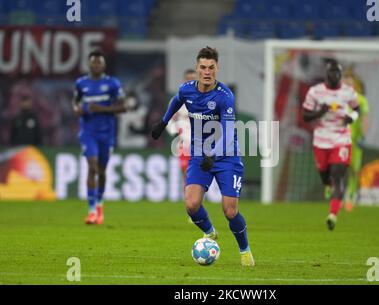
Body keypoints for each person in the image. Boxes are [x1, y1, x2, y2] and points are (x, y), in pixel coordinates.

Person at [151, 47, 255, 266]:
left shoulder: (224, 96)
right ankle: (210, 233)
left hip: (226, 155)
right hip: (200, 153)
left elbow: (227, 130)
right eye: (203, 67)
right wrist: (163, 122)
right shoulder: (187, 89)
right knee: (191, 204)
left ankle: (244, 250)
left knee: (229, 210)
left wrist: (214, 154)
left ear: (217, 68)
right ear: (197, 68)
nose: (207, 72)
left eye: (211, 67)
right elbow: (177, 100)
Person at [72, 50, 130, 225]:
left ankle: (99, 206)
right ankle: (91, 212)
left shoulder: (112, 83)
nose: (96, 65)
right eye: (94, 62)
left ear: (103, 65)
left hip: (106, 133)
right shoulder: (81, 83)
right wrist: (77, 109)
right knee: (92, 168)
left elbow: (123, 107)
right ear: (89, 64)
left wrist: (102, 109)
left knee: (102, 172)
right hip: (88, 132)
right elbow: (75, 102)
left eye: (99, 62)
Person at [302, 59, 359, 231]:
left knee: (337, 176)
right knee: (325, 177)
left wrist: (352, 118)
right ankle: (328, 185)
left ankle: (333, 214)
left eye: (337, 72)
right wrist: (321, 111)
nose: (335, 75)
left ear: (340, 74)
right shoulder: (315, 92)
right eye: (331, 72)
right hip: (321, 140)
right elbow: (305, 115)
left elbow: (356, 109)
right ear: (326, 74)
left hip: (341, 139)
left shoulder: (349, 92)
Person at [342, 72, 369, 212]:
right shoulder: (337, 100)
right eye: (345, 84)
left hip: (354, 141)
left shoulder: (361, 100)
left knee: (353, 170)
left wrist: (363, 136)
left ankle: (350, 198)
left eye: (350, 84)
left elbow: (364, 119)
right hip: (339, 140)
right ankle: (338, 196)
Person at [166, 69, 196, 186]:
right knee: (186, 173)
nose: (190, 81)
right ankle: (189, 202)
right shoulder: (177, 100)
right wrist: (173, 132)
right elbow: (168, 120)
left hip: (200, 142)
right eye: (188, 79)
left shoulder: (204, 99)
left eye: (192, 79)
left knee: (198, 175)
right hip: (184, 142)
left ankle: (196, 201)